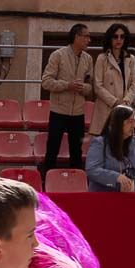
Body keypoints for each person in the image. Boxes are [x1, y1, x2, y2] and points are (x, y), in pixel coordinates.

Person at [40, 23, 94, 172]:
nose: (89, 40)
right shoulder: (58, 55)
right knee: (52, 150)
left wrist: (83, 88)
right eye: (86, 36)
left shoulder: (88, 59)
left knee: (76, 152)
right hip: (58, 111)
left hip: (78, 113)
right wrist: (67, 85)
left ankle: (75, 186)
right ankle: (47, 185)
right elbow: (46, 81)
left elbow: (91, 87)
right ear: (76, 37)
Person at [85, 104, 135, 198]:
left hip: (131, 198)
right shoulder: (100, 143)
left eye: (134, 121)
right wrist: (116, 177)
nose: (134, 125)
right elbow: (92, 170)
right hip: (104, 199)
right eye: (130, 122)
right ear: (118, 123)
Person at [90, 23, 135, 137]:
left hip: (123, 109)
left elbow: (134, 83)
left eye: (122, 36)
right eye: (115, 36)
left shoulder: (130, 59)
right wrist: (115, 101)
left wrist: (126, 101)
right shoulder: (102, 58)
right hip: (106, 107)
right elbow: (97, 85)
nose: (119, 40)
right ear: (109, 38)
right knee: (103, 145)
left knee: (121, 146)